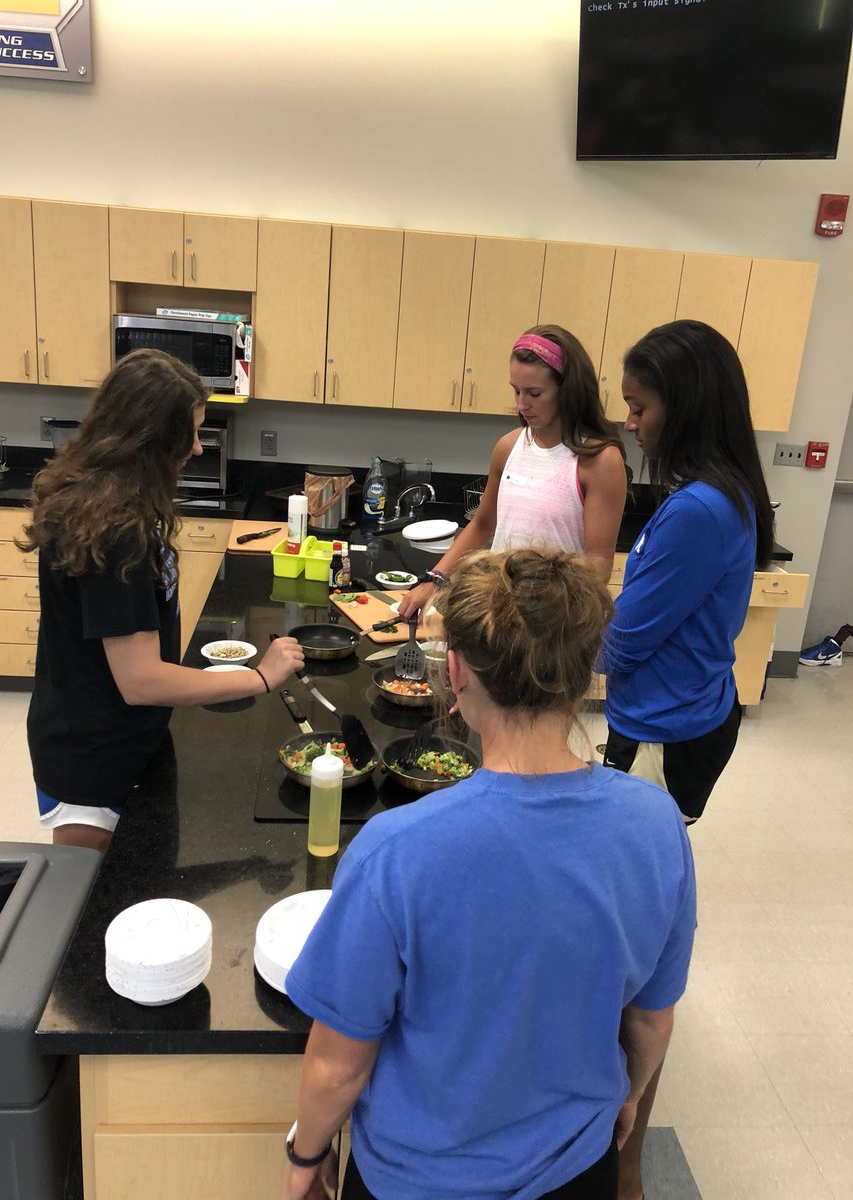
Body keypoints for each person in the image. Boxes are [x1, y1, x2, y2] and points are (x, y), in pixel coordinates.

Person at [283, 548, 696, 1200]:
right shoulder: (656, 825)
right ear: (583, 670)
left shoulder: (395, 850)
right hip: (575, 1172)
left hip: (414, 1182)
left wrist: (306, 1155)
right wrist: (630, 1097)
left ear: (456, 670)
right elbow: (650, 1023)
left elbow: (337, 1063)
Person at [599, 319, 774, 1200]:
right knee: (644, 905)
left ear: (685, 403)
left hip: (662, 736)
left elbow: (624, 640)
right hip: (687, 718)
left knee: (637, 949)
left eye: (641, 404)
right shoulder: (727, 491)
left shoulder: (701, 506)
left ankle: (624, 1152)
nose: (632, 420)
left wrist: (533, 641)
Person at [19, 349, 304, 854]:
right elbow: (141, 680)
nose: (197, 448)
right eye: (189, 434)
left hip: (121, 737)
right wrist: (260, 677)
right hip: (93, 759)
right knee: (93, 914)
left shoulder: (117, 500)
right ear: (149, 439)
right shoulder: (114, 527)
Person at [397, 324, 628, 621]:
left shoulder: (598, 460)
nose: (521, 404)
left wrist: (547, 606)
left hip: (554, 626)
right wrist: (435, 580)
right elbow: (482, 524)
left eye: (534, 393)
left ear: (568, 390)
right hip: (499, 615)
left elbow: (598, 565)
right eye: (516, 391)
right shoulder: (508, 447)